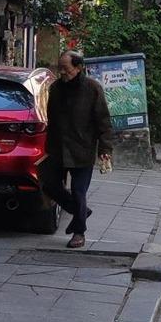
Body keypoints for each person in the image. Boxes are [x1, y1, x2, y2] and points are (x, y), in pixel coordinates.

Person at [43, 50, 114, 248]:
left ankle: (79, 232)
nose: (62, 72)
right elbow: (51, 118)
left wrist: (105, 148)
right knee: (49, 185)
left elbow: (104, 122)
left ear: (78, 67)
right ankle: (80, 211)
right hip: (57, 148)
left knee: (78, 191)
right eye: (60, 68)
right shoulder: (56, 88)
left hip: (82, 149)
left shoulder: (92, 88)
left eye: (66, 69)